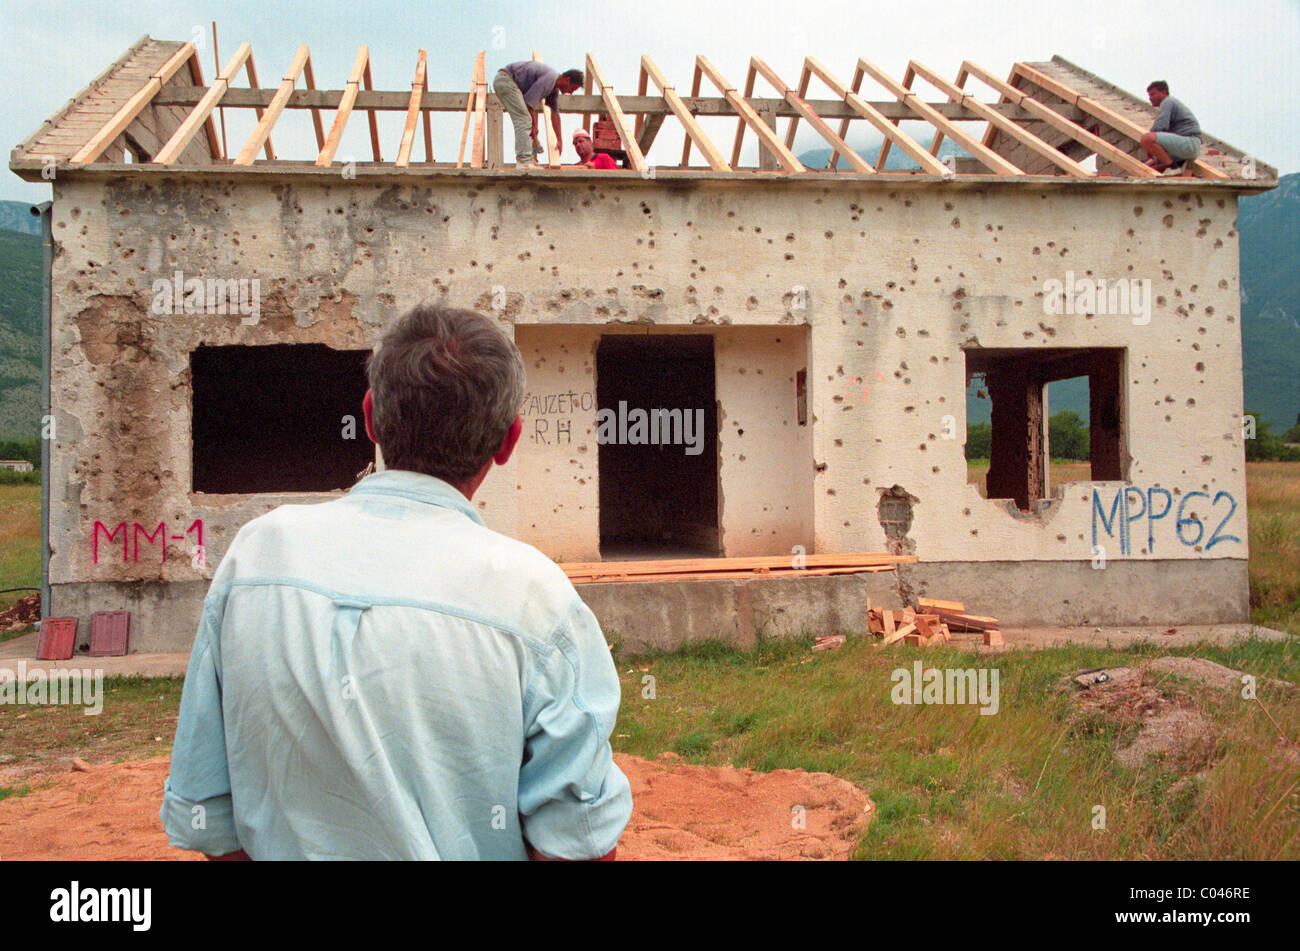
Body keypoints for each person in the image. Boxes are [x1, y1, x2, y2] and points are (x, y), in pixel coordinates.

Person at [161, 304, 632, 860]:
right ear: (508, 441)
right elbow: (575, 843)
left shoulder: (256, 557)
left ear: (370, 418)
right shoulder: (537, 599)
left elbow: (208, 817)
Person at [494, 61, 584, 167]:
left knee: (526, 119)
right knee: (524, 119)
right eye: (572, 88)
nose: (571, 92)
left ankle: (527, 159)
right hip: (506, 80)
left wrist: (559, 140)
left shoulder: (553, 89)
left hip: (507, 81)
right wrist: (534, 125)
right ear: (567, 79)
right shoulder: (549, 79)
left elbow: (554, 114)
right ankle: (524, 161)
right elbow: (528, 103)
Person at [1140, 81, 1202, 175]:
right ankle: (1175, 166)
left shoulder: (1168, 102)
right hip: (1184, 149)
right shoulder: (1170, 103)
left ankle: (1173, 167)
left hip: (1189, 143)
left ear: (1164, 92)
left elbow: (1160, 126)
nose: (1150, 98)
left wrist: (1148, 147)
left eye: (1153, 94)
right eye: (1149, 95)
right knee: (1146, 168)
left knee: (1146, 138)